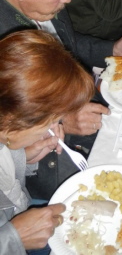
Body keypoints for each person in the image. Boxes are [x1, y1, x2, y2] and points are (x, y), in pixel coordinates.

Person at [0, 0, 122, 198]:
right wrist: (63, 121)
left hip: (82, 101)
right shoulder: (6, 41)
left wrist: (112, 49)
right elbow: (8, 126)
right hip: (44, 153)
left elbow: (67, 45)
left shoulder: (44, 5)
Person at [0, 29, 95, 255]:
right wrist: (13, 238)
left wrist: (24, 158)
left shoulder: (5, 131)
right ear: (13, 121)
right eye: (51, 120)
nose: (55, 126)